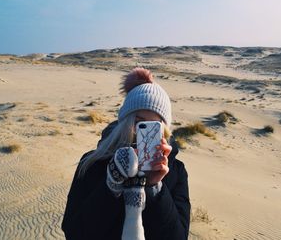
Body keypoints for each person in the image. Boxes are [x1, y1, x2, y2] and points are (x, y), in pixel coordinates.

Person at [62, 68, 190, 240]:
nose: (144, 134)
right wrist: (111, 185)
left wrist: (155, 188)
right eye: (138, 122)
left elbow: (178, 237)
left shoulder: (175, 170)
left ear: (165, 130)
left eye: (155, 126)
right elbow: (74, 233)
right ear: (124, 122)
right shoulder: (93, 162)